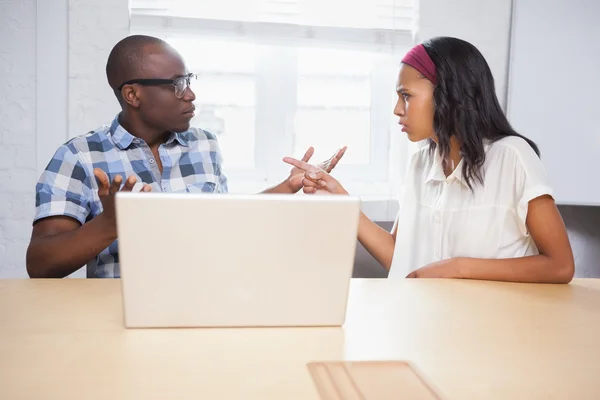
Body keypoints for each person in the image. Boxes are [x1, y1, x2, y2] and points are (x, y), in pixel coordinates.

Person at [26, 35, 346, 279]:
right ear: (133, 94)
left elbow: (225, 220)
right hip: (117, 319)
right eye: (176, 85)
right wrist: (109, 225)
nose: (190, 94)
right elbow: (40, 264)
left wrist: (287, 187)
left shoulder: (204, 145)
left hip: (205, 306)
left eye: (188, 81)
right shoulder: (79, 157)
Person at [284, 36, 575, 283]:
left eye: (406, 96)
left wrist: (459, 267)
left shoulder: (512, 156)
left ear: (449, 94)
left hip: (493, 334)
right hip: (427, 328)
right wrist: (341, 201)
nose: (398, 109)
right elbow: (401, 256)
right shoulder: (421, 163)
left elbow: (560, 265)